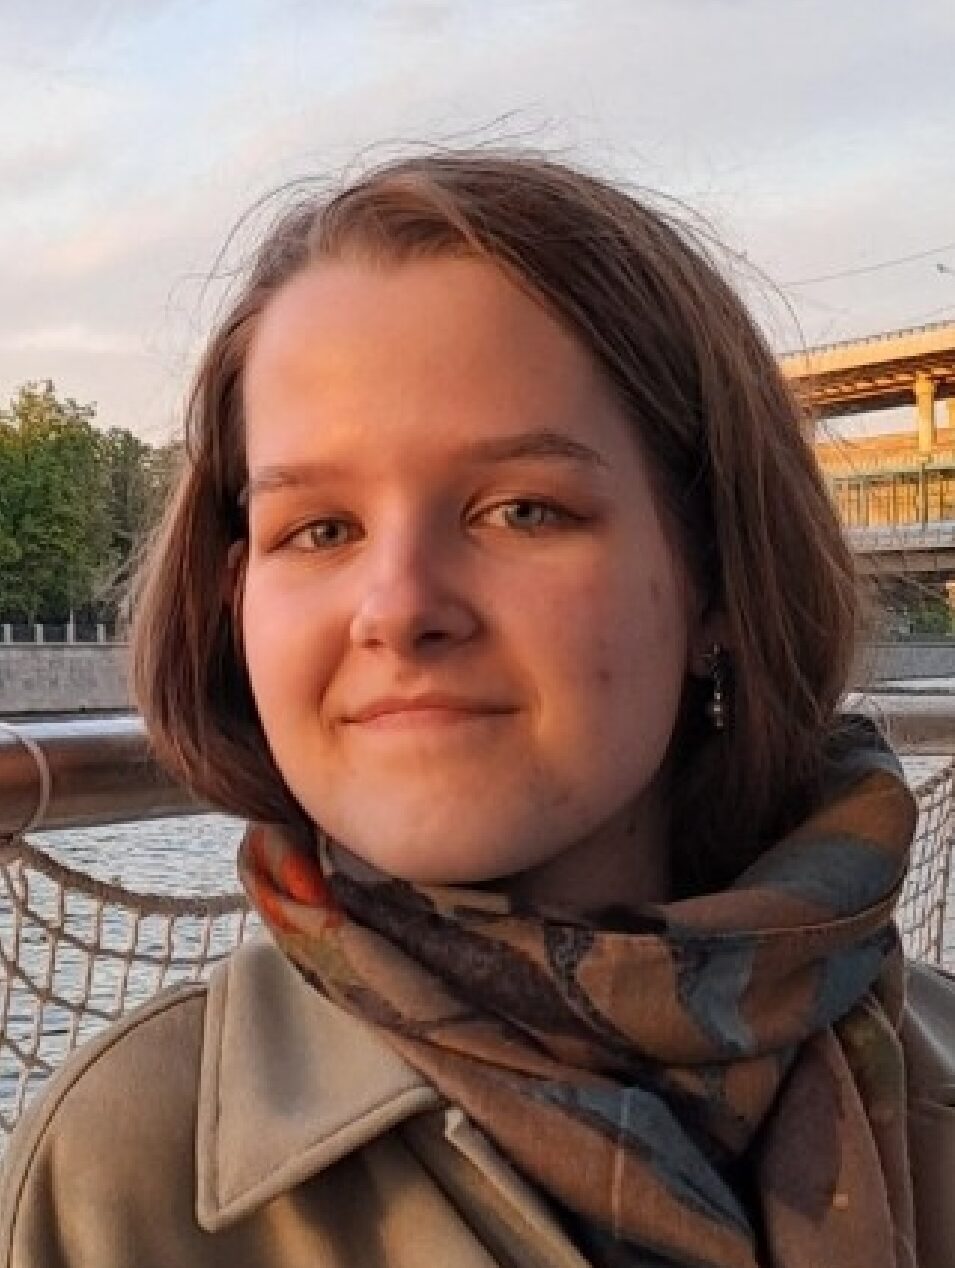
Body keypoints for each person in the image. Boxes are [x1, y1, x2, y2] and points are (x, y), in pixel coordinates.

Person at [1, 150, 952, 1268]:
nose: (398, 608)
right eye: (320, 529)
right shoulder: (112, 1176)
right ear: (236, 598)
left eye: (521, 510)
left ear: (716, 578)